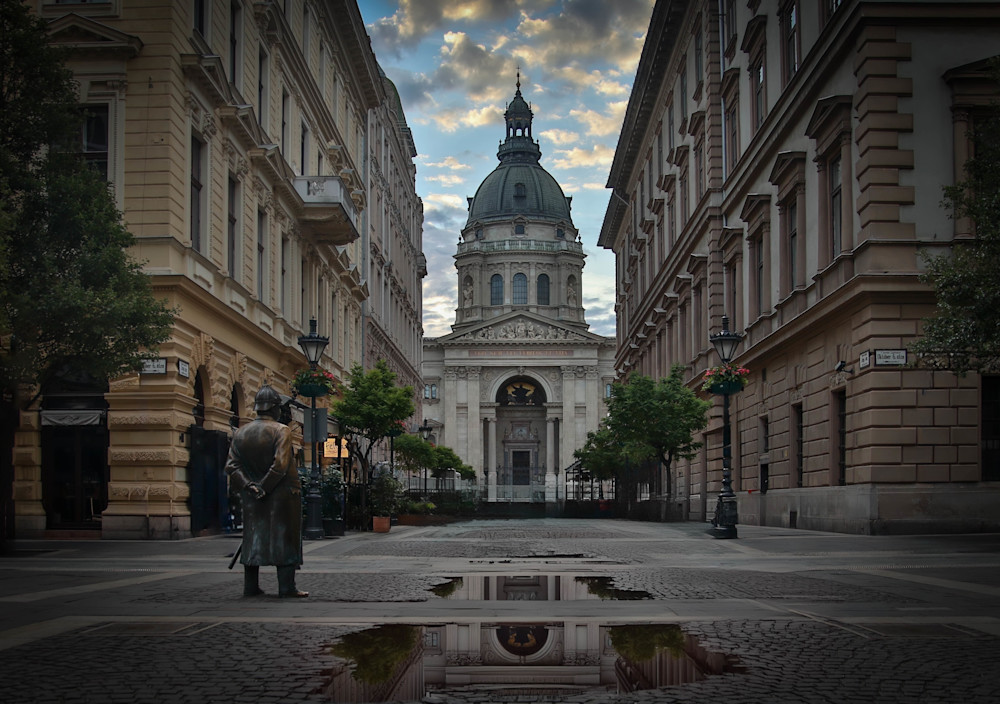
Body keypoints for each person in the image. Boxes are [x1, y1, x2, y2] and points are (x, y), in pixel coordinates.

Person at [225, 385, 307, 597]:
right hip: (282, 495)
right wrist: (264, 487)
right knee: (285, 539)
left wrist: (250, 486)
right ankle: (286, 587)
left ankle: (250, 586)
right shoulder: (281, 430)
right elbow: (280, 464)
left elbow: (232, 466)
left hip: (252, 495)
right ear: (275, 409)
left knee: (252, 537)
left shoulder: (241, 432)